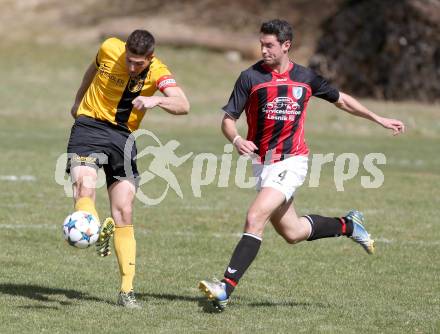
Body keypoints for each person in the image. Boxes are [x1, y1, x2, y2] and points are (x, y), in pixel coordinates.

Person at [198, 19, 404, 311]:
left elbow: (341, 100)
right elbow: (228, 120)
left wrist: (378, 118)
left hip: (292, 161)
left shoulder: (305, 78)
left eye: (270, 45)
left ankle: (224, 289)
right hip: (263, 164)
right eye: (262, 44)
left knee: (255, 216)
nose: (264, 49)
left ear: (286, 45)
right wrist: (236, 140)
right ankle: (348, 225)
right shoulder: (250, 78)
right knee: (292, 232)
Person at [66, 29, 190, 308]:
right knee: (84, 184)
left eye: (139, 63)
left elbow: (183, 104)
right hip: (89, 127)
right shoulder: (110, 48)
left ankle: (126, 291)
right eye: (129, 61)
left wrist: (156, 99)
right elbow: (91, 72)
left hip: (123, 137)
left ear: (150, 58)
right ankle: (93, 228)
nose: (133, 68)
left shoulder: (158, 71)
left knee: (124, 210)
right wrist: (78, 101)